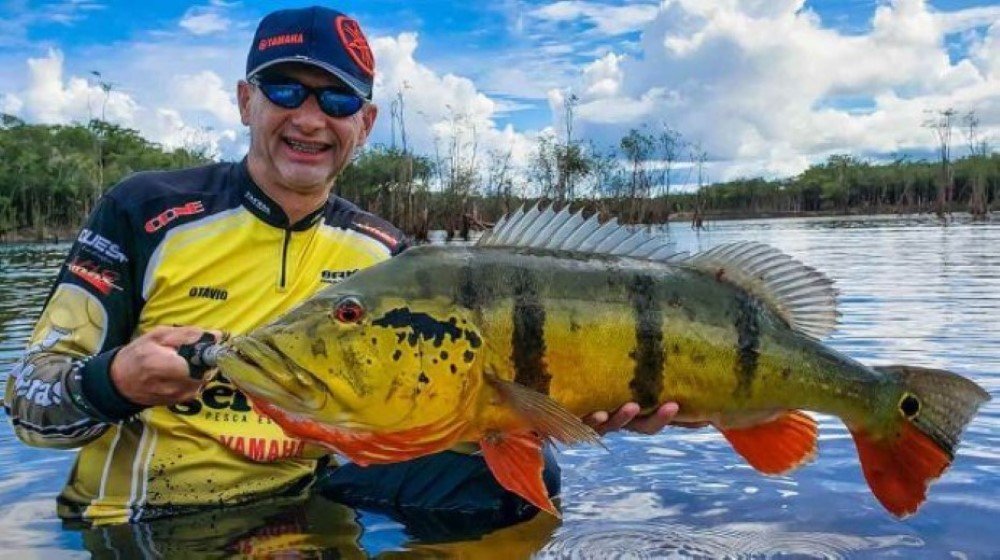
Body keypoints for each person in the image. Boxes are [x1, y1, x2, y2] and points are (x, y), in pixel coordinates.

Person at [4, 5, 688, 528]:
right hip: (146, 525)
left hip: (312, 505)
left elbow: (442, 415)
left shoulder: (388, 256)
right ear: (246, 101)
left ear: (364, 122)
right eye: (284, 91)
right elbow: (31, 405)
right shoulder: (146, 211)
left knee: (511, 485)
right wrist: (114, 381)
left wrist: (551, 412)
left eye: (334, 101)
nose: (310, 118)